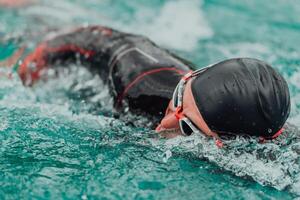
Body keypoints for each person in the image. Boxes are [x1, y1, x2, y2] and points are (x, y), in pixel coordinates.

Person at [14, 25, 290, 146]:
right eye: (179, 98)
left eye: (187, 128)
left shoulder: (258, 134)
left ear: (221, 141)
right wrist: (26, 67)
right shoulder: (136, 82)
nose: (168, 120)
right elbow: (89, 37)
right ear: (189, 80)